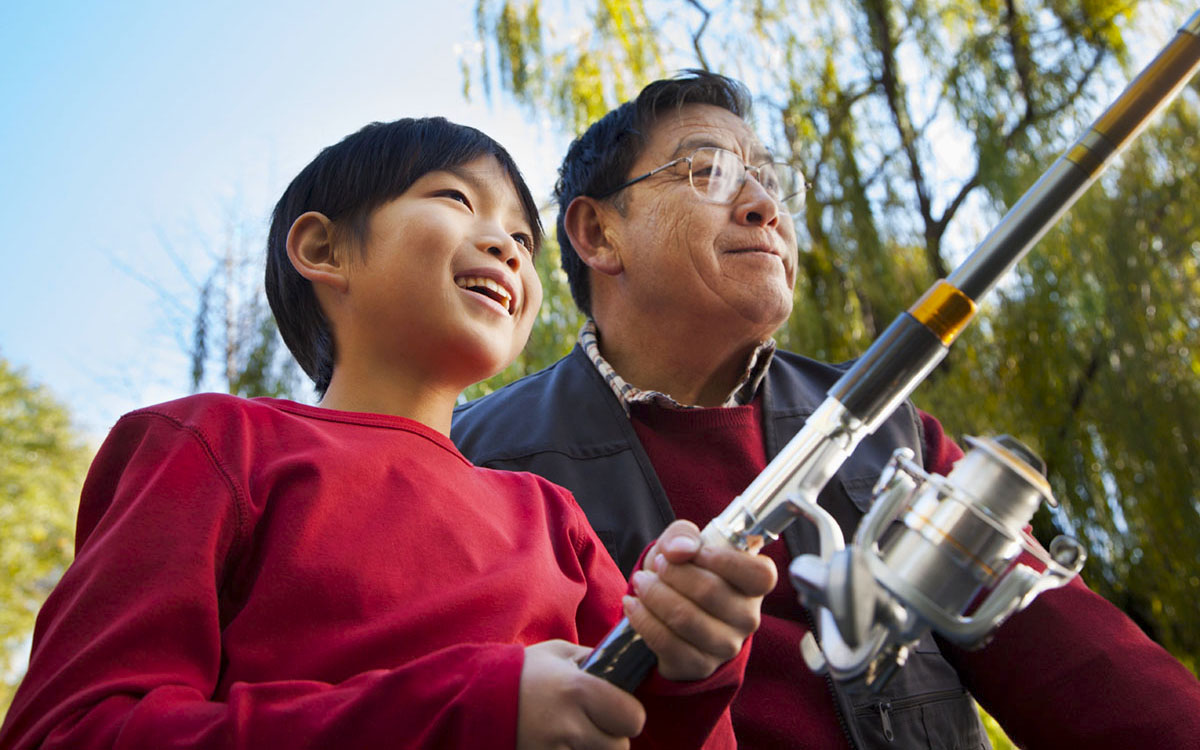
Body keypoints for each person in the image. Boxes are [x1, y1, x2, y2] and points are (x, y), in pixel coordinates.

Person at [452, 72, 1200, 748]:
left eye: (771, 181)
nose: (764, 206)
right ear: (596, 233)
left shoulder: (894, 433)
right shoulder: (477, 460)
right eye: (709, 171)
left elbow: (1088, 669)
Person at [0, 117, 779, 750]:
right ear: (322, 249)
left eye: (523, 238)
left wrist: (685, 662)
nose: (507, 244)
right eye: (455, 198)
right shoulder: (211, 444)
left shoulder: (550, 518)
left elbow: (649, 728)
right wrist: (467, 712)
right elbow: (72, 729)